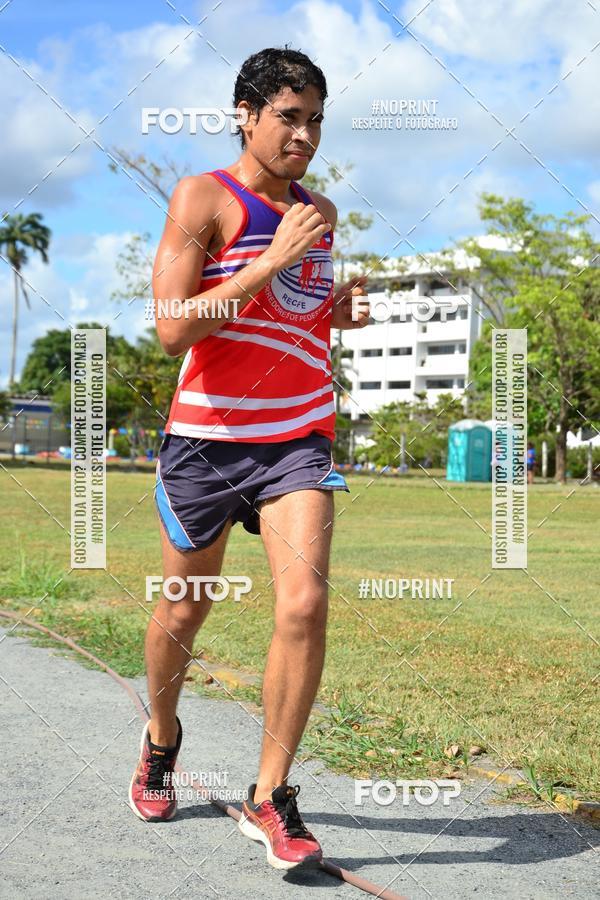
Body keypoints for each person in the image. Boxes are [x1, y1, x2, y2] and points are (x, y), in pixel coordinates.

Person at [128, 46, 370, 870]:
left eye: (315, 121)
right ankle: (161, 739)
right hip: (205, 441)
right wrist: (270, 261)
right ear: (246, 114)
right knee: (184, 611)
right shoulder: (204, 196)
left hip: (296, 438)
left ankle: (269, 794)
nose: (305, 136)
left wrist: (335, 311)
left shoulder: (321, 212)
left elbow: (292, 318)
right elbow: (172, 327)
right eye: (289, 118)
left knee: (302, 604)